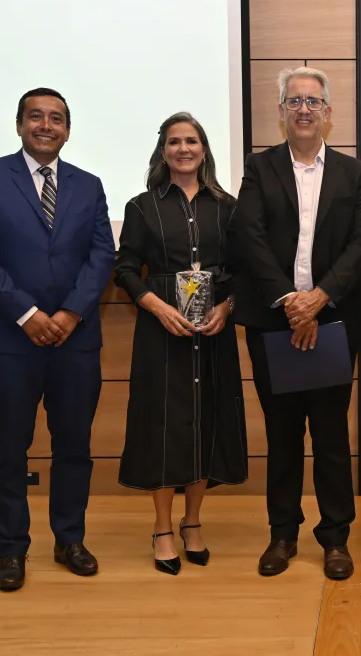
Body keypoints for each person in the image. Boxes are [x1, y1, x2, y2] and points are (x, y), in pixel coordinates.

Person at [0, 87, 115, 591]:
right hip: (7, 338)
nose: (46, 125)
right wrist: (27, 314)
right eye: (36, 117)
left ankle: (69, 538)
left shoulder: (88, 186)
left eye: (57, 119)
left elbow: (101, 258)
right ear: (20, 124)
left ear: (68, 129)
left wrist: (69, 312)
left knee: (74, 445)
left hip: (75, 339)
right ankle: (10, 550)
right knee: (8, 448)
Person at [228, 66, 361, 580]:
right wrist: (292, 301)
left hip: (334, 322)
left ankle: (335, 539)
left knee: (332, 436)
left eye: (314, 101)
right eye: (295, 101)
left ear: (329, 113)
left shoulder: (353, 174)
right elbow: (250, 237)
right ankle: (283, 534)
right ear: (282, 113)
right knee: (284, 435)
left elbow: (360, 245)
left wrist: (318, 300)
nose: (305, 109)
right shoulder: (259, 168)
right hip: (274, 322)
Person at [113, 112, 248, 575]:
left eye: (191, 141)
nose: (183, 149)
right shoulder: (141, 207)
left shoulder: (227, 207)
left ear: (204, 149)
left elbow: (241, 271)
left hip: (212, 331)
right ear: (163, 151)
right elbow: (126, 269)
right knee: (164, 426)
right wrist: (155, 305)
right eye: (174, 142)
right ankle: (163, 528)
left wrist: (226, 308)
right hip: (161, 332)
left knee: (204, 421)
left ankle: (193, 522)